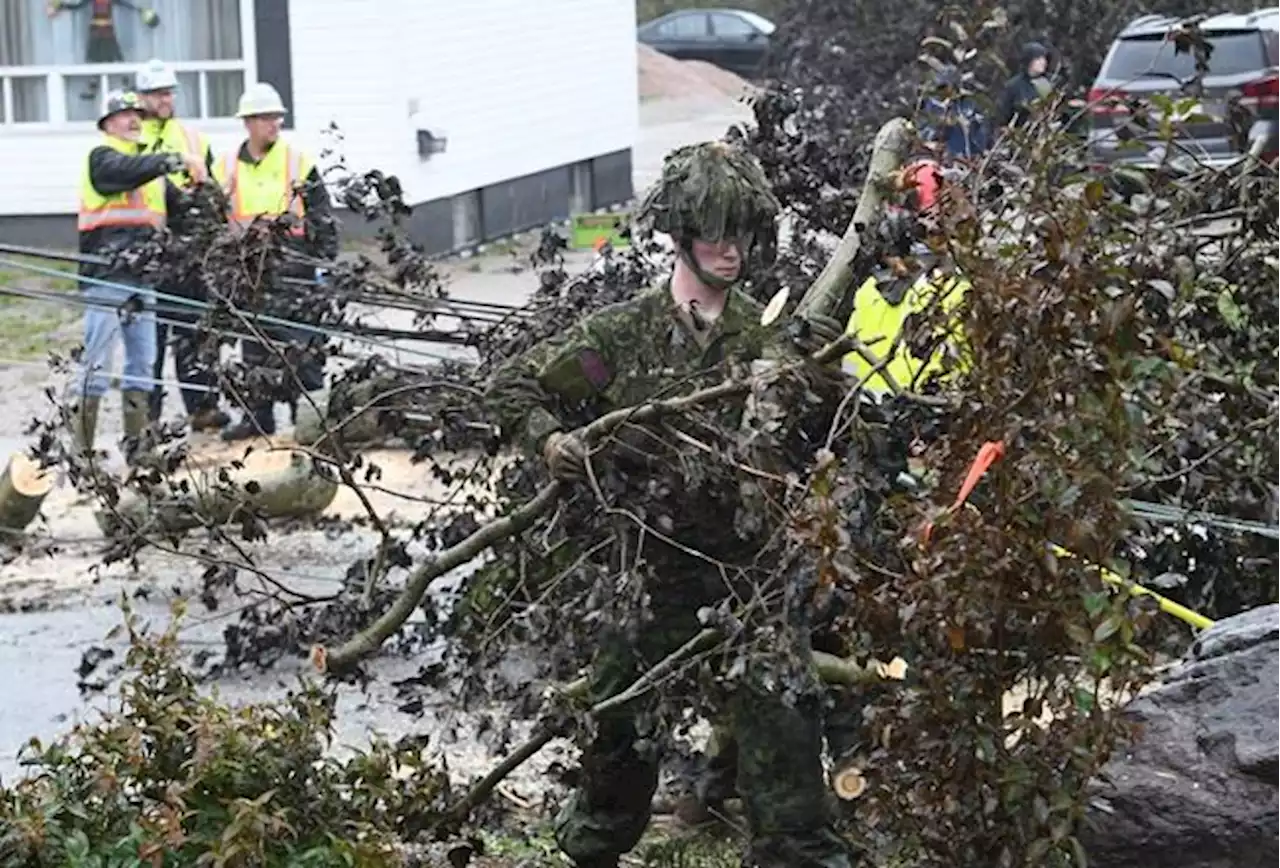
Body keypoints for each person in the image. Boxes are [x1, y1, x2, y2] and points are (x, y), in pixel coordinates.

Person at [484, 141, 853, 868]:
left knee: (784, 728)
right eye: (716, 231)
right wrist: (552, 442)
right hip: (651, 579)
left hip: (750, 577)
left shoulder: (770, 336)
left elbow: (821, 439)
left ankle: (795, 854)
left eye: (743, 232)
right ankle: (592, 847)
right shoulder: (621, 338)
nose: (732, 248)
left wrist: (827, 404)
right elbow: (515, 388)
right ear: (680, 234)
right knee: (618, 734)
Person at [72, 89, 208, 466]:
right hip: (107, 274)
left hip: (145, 279)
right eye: (124, 115)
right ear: (107, 124)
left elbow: (182, 208)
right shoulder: (102, 157)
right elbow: (123, 173)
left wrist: (202, 193)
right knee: (97, 363)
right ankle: (80, 457)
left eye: (137, 114)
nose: (134, 120)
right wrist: (176, 159)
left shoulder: (151, 171)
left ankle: (139, 452)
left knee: (143, 364)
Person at [213, 82, 337, 442]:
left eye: (278, 118)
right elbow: (213, 218)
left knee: (304, 348)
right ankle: (257, 417)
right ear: (248, 122)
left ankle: (311, 422)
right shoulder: (225, 167)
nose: (275, 124)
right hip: (250, 271)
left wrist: (324, 263)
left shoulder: (297, 163)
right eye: (267, 118)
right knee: (254, 345)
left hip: (293, 268)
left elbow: (322, 217)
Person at [135, 58, 229, 433]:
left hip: (190, 250)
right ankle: (149, 416)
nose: (166, 99)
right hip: (151, 250)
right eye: (158, 93)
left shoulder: (192, 138)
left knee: (195, 331)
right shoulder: (132, 137)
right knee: (151, 340)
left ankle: (202, 407)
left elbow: (211, 189)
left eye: (169, 92)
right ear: (141, 97)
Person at [919, 66, 989, 159]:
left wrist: (961, 122)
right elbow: (928, 131)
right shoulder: (937, 106)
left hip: (969, 155)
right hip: (947, 157)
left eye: (944, 87)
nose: (941, 91)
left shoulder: (967, 102)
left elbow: (978, 124)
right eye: (940, 88)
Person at [995, 41, 1053, 130]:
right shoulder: (1014, 86)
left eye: (1044, 58)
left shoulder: (1048, 84)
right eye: (1038, 58)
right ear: (1029, 60)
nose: (1043, 62)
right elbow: (1002, 115)